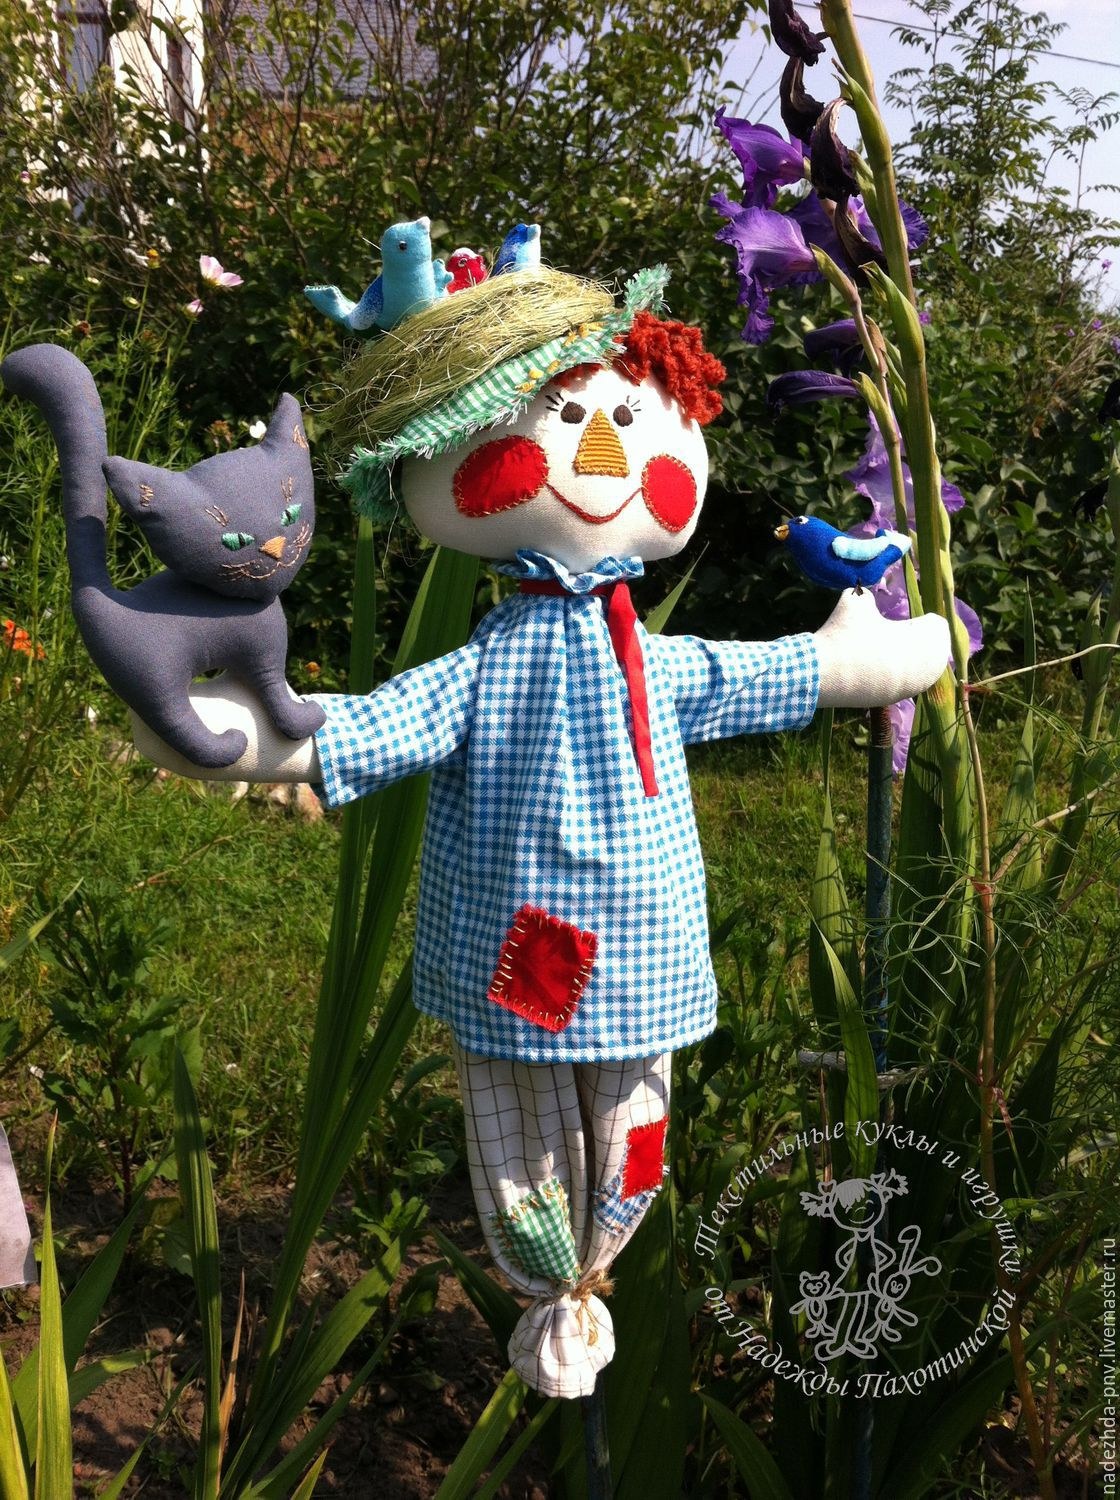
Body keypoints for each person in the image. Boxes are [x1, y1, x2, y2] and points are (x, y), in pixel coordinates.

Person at [133, 264, 949, 1399]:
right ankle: (557, 1280)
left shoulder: (649, 657)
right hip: (529, 946)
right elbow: (379, 723)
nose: (604, 450)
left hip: (645, 945)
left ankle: (587, 1273)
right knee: (519, 1115)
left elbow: (752, 675)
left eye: (627, 421)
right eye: (565, 421)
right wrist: (258, 737)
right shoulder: (491, 668)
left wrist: (852, 662)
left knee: (632, 1117)